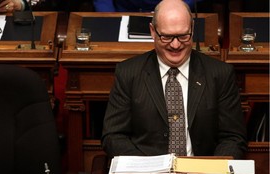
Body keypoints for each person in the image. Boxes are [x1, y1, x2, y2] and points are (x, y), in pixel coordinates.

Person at [101, 0, 247, 159]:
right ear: (152, 31)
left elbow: (233, 138)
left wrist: (214, 171)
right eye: (167, 37)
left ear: (192, 29)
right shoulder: (128, 73)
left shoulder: (220, 74)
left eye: (183, 36)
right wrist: (144, 169)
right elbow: (113, 136)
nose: (176, 45)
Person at [93, 0, 200, 12]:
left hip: (170, 15)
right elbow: (102, 2)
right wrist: (111, 19)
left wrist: (172, 7)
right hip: (122, 15)